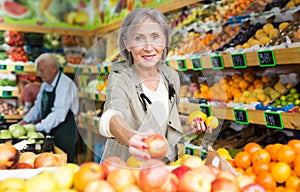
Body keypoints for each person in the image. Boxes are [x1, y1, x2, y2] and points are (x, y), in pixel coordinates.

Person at [99, 8, 211, 163]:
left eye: (155, 37)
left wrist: (188, 123)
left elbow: (164, 115)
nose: (148, 47)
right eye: (139, 38)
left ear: (164, 41)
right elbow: (112, 115)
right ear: (127, 43)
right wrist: (133, 138)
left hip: (164, 166)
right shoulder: (121, 77)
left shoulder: (171, 77)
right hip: (126, 169)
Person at [19, 53, 79, 163]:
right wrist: (25, 121)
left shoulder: (66, 85)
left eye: (41, 70)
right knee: (48, 162)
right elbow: (38, 107)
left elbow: (58, 114)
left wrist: (36, 128)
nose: (38, 74)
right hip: (50, 132)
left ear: (53, 68)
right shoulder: (45, 84)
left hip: (64, 134)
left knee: (64, 163)